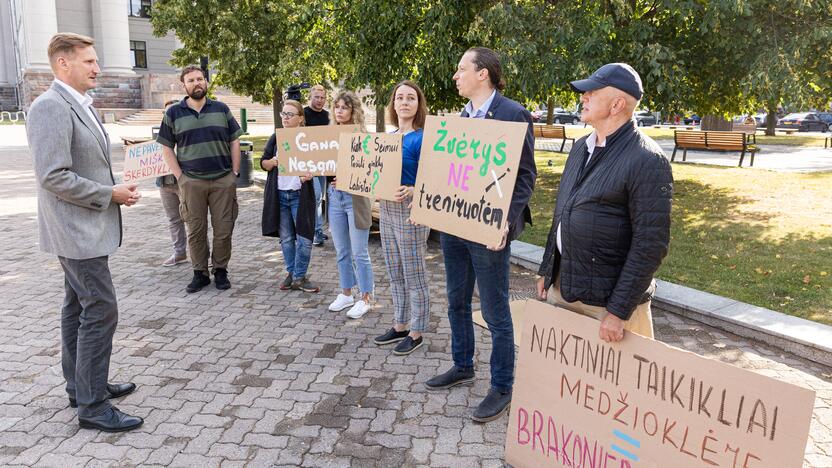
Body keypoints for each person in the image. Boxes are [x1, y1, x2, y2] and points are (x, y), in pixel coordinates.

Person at [27, 32, 143, 432]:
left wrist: (112, 190)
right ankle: (92, 407)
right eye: (89, 61)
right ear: (63, 64)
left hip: (84, 227)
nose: (98, 68)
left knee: (77, 307)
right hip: (75, 230)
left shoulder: (81, 104)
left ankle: (82, 386)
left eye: (96, 61)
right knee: (101, 309)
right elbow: (53, 176)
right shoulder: (50, 107)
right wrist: (108, 194)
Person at [425, 47, 537, 423]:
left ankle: (502, 386)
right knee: (457, 301)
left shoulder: (513, 114)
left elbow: (524, 178)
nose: (455, 76)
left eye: (461, 69)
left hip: (489, 230)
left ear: (483, 74)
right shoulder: (459, 118)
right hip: (456, 227)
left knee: (494, 310)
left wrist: (505, 220)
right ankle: (463, 365)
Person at [536, 63, 673, 343]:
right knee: (563, 381)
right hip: (565, 289)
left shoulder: (647, 160)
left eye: (592, 92)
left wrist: (618, 311)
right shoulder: (580, 147)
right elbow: (563, 212)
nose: (582, 98)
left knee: (613, 386)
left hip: (607, 306)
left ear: (617, 105)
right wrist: (547, 270)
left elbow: (651, 245)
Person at [157, 65, 243, 293]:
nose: (197, 83)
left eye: (200, 79)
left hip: (222, 180)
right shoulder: (173, 113)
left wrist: (234, 172)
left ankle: (221, 270)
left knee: (224, 228)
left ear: (206, 82)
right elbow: (166, 147)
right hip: (191, 182)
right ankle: (200, 273)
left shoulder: (222, 109)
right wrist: (180, 177)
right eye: (191, 80)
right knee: (195, 230)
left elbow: (235, 140)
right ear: (183, 85)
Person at [372, 80, 431, 355]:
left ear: (418, 104)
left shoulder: (423, 138)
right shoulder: (387, 138)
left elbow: (435, 179)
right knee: (394, 270)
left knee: (414, 272)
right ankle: (400, 324)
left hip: (411, 210)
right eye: (400, 98)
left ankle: (417, 331)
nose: (404, 102)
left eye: (410, 98)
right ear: (393, 104)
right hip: (386, 209)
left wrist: (414, 189)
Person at [261, 99, 320, 293]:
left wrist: (309, 175)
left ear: (300, 119)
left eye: (290, 114)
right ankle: (294, 274)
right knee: (286, 239)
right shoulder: (275, 138)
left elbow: (317, 165)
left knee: (304, 237)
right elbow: (263, 163)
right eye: (283, 114)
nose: (285, 118)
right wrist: (273, 161)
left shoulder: (308, 139)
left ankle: (298, 275)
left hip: (299, 195)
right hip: (279, 195)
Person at [326, 91, 375, 319]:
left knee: (359, 252)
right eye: (337, 107)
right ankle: (346, 293)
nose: (340, 111)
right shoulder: (326, 137)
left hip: (356, 198)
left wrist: (347, 177)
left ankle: (366, 297)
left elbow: (371, 171)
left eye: (345, 107)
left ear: (353, 110)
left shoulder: (363, 137)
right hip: (335, 196)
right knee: (342, 250)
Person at [157, 99, 187, 267]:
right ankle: (179, 252)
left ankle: (203, 253)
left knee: (193, 218)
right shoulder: (160, 134)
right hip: (165, 183)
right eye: (165, 113)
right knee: (173, 219)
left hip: (184, 182)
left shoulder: (186, 131)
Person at [304, 84, 330, 246]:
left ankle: (316, 228)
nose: (319, 100)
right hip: (307, 163)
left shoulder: (328, 116)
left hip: (323, 164)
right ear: (310, 98)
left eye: (322, 98)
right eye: (316, 97)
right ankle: (317, 232)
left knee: (320, 197)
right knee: (316, 196)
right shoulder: (303, 115)